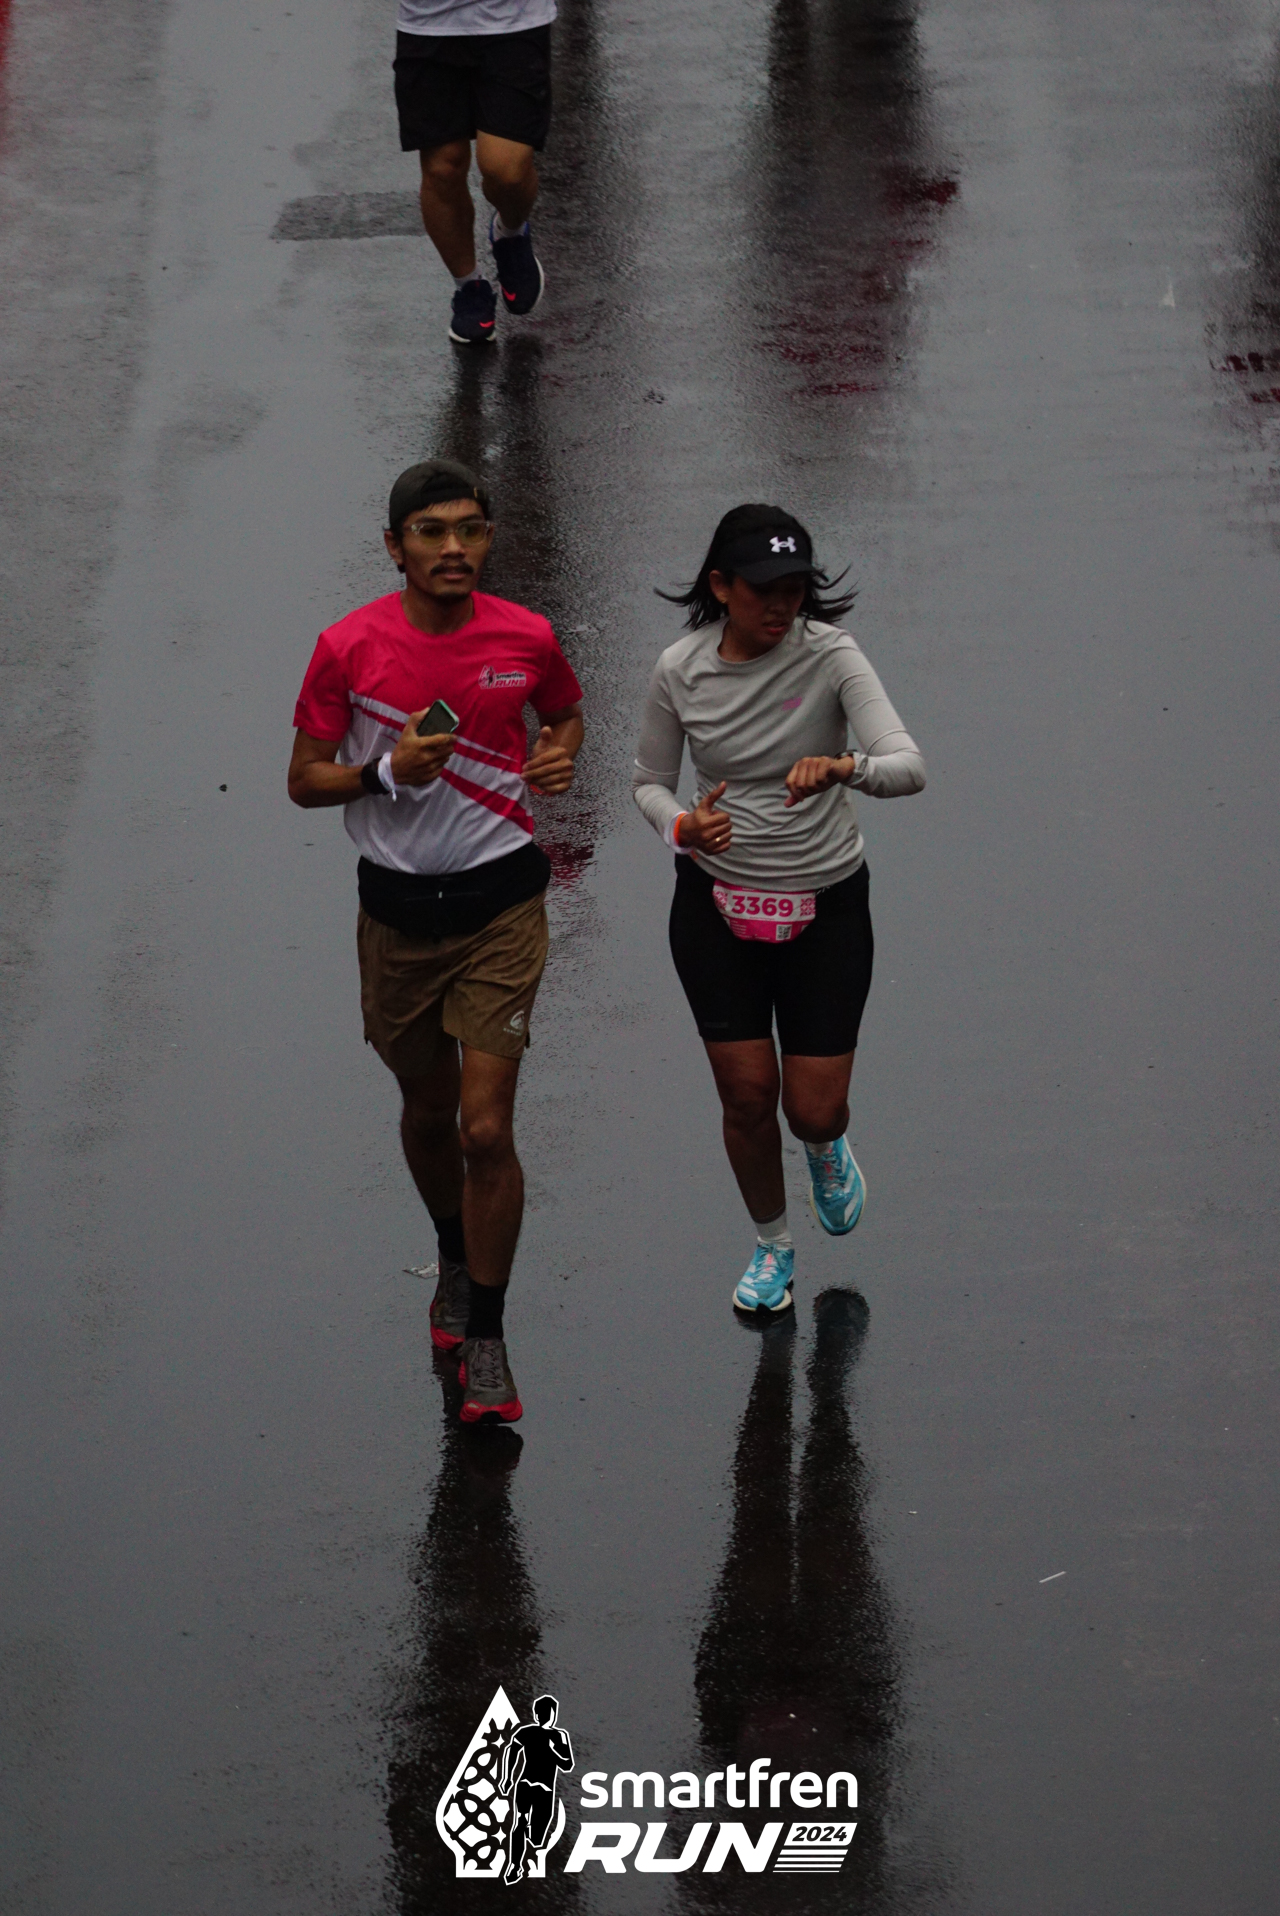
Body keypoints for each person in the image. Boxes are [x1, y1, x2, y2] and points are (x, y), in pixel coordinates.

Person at [288, 458, 584, 1422]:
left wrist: (559, 755)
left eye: (470, 529)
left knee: (485, 1127)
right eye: (431, 532)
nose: (454, 548)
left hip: (502, 906)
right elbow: (304, 779)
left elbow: (565, 715)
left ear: (488, 539)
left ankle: (487, 1337)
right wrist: (385, 771)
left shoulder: (527, 635)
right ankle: (454, 1256)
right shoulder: (347, 648)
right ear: (395, 546)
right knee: (428, 1110)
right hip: (397, 917)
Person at [633, 504, 925, 1318]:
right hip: (715, 907)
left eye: (795, 588)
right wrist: (682, 828)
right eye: (764, 589)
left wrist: (844, 766)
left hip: (826, 906)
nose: (781, 604)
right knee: (747, 1095)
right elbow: (648, 784)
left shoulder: (832, 655)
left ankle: (825, 1146)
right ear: (722, 586)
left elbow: (909, 766)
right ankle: (772, 1245)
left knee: (812, 1108)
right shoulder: (680, 669)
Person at [393, 0, 554, 345]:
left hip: (514, 21)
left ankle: (510, 233)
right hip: (427, 23)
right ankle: (469, 287)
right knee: (443, 168)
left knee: (506, 171)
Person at [499, 1694, 574, 1883]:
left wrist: (553, 1751)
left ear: (553, 1714)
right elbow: (511, 1751)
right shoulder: (526, 1732)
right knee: (520, 1821)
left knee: (537, 1837)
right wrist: (507, 1778)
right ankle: (515, 1865)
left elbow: (567, 1765)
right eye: (541, 1712)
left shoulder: (559, 1736)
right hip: (526, 1784)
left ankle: (528, 1841)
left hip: (545, 1790)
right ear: (536, 1714)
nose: (545, 1716)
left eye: (548, 1712)